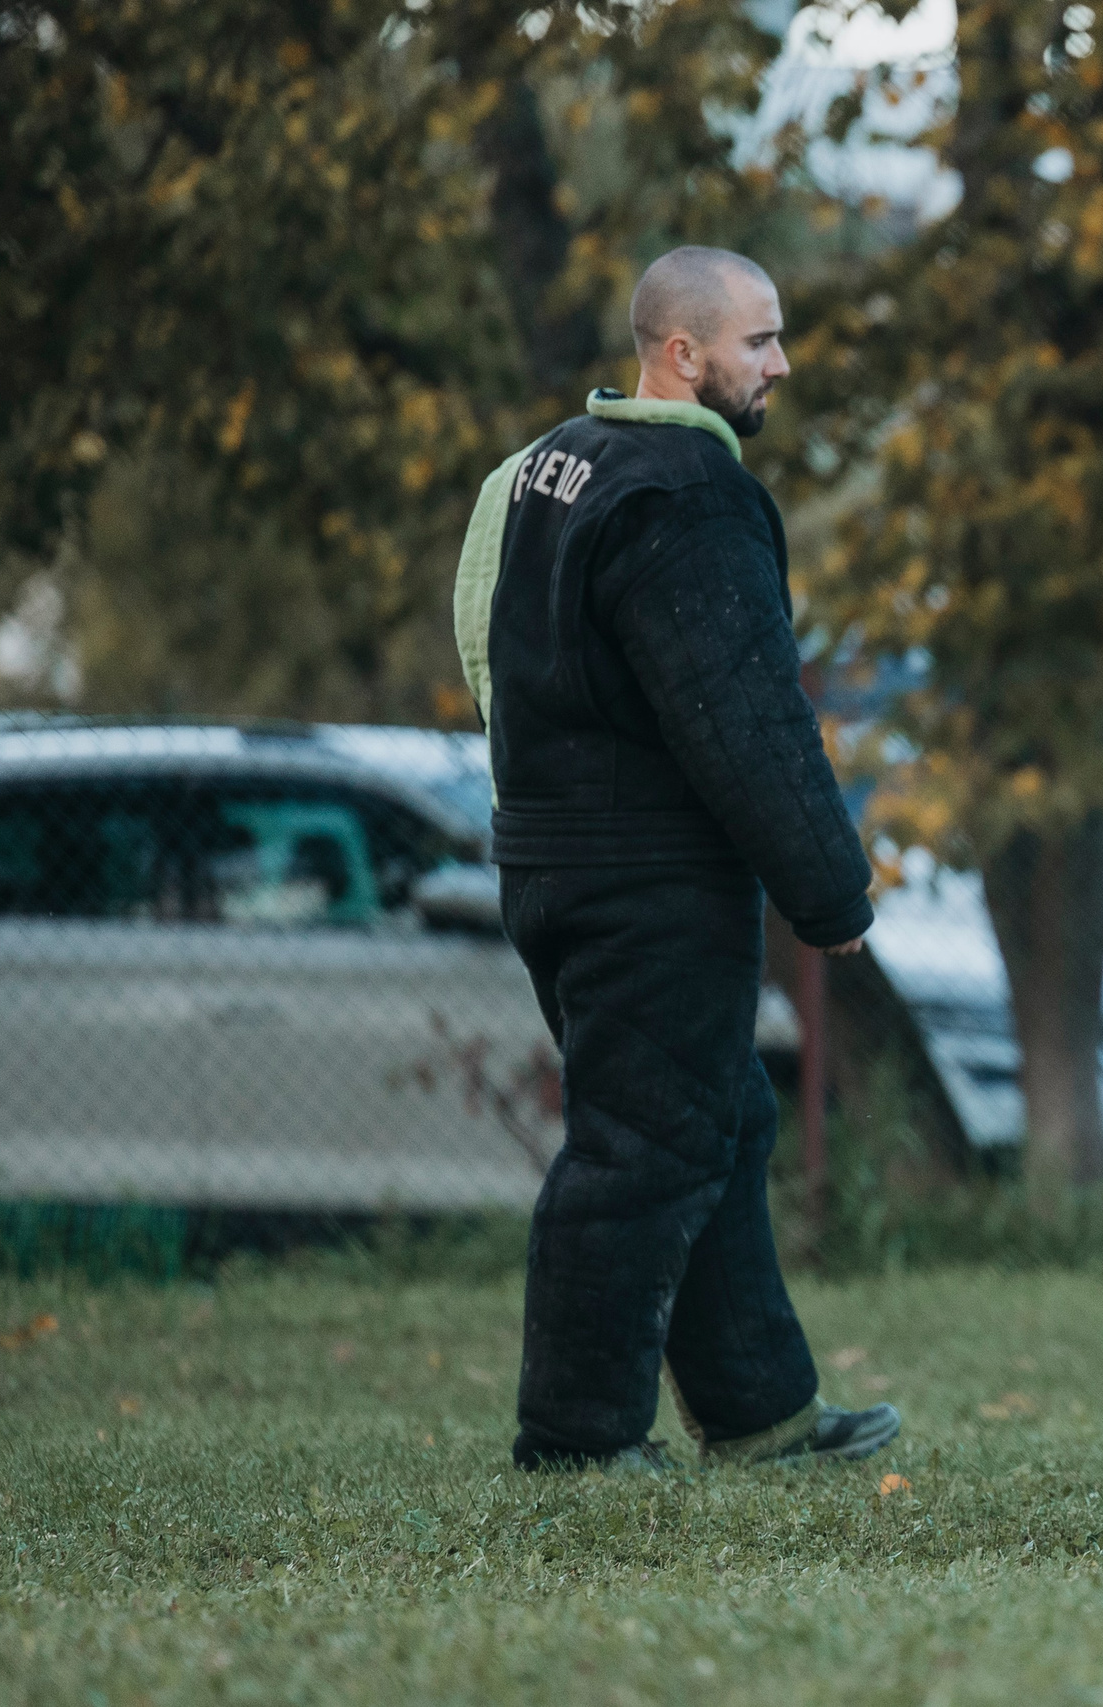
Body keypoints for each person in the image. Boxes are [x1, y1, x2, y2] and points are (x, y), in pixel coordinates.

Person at [452, 246, 898, 1472]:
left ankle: (762, 1415)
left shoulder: (543, 465)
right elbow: (744, 718)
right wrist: (829, 893)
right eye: (760, 340)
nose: (782, 364)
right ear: (684, 353)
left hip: (553, 857)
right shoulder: (690, 495)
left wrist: (533, 809)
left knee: (719, 1120)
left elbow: (480, 635)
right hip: (647, 879)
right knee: (641, 1150)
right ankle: (576, 1442)